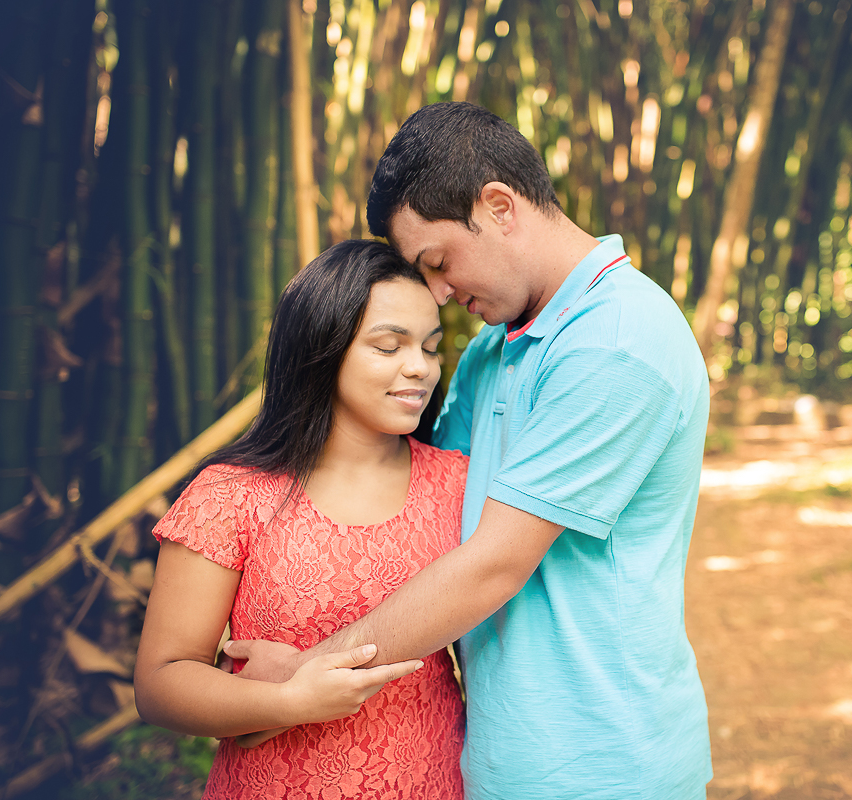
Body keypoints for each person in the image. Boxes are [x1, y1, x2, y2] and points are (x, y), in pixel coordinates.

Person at [226, 101, 714, 799]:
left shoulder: (617, 344)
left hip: (603, 764)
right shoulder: (494, 350)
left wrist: (307, 677)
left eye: (439, 262)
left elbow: (491, 564)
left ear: (499, 205)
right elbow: (419, 511)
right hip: (493, 758)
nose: (441, 293)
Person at [134, 239, 468, 799]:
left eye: (430, 348)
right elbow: (161, 683)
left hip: (431, 781)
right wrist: (288, 702)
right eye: (389, 346)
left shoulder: (459, 483)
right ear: (322, 349)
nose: (420, 368)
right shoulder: (232, 495)